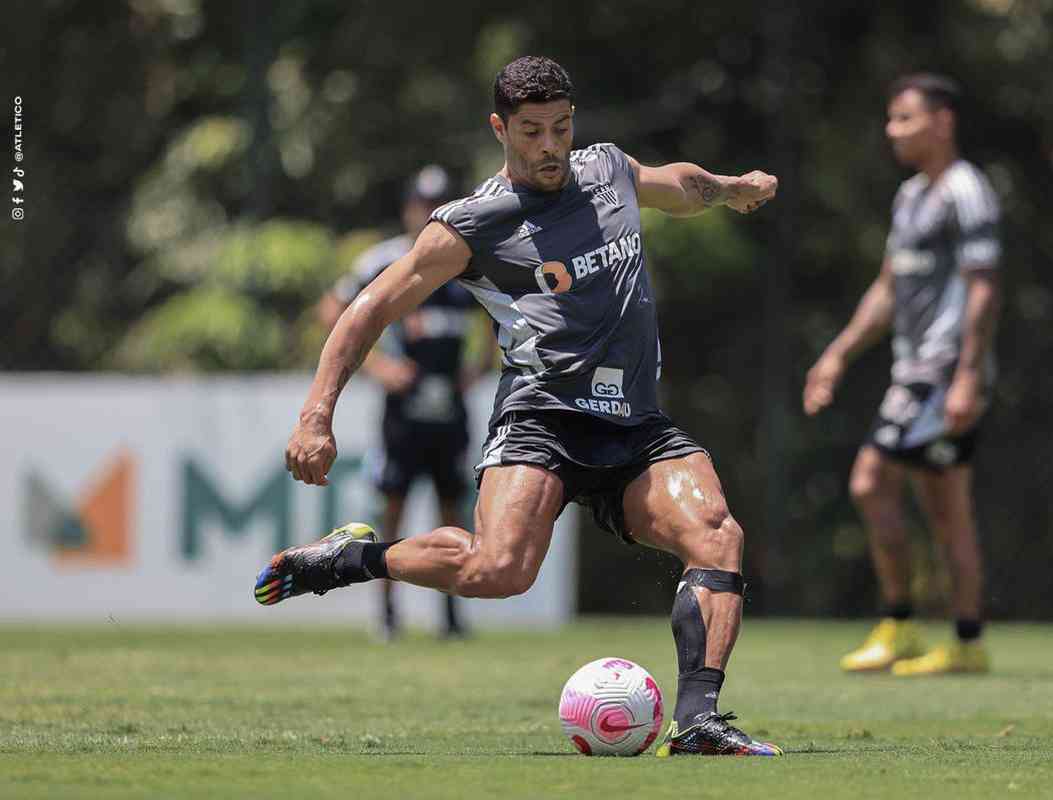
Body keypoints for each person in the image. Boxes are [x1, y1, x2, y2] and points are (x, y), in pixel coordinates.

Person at [255, 55, 781, 756]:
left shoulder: (607, 171)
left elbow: (677, 185)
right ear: (500, 128)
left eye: (560, 128)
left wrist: (728, 188)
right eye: (531, 131)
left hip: (632, 424)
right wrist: (315, 415)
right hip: (543, 419)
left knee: (717, 534)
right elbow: (368, 308)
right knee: (498, 571)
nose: (548, 147)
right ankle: (356, 559)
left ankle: (701, 723)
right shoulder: (473, 224)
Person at [804, 73, 1003, 676]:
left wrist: (967, 375)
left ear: (941, 122)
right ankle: (964, 643)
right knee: (945, 506)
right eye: (890, 119)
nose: (893, 130)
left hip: (941, 374)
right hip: (913, 371)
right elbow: (889, 288)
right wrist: (838, 352)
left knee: (871, 482)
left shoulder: (967, 191)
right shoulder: (911, 195)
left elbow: (985, 287)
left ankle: (903, 624)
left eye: (905, 118)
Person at [318, 165, 489, 640]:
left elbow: (498, 317)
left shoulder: (467, 258)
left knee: (452, 509)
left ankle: (452, 616)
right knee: (392, 506)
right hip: (404, 410)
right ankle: (388, 615)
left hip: (449, 409)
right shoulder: (386, 259)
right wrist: (378, 367)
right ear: (407, 207)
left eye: (439, 205)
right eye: (422, 205)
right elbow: (333, 309)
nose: (429, 214)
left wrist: (481, 365)